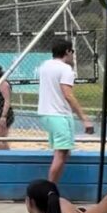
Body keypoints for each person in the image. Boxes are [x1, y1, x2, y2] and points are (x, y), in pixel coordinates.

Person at [38, 41, 94, 183]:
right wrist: (84, 118)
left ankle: (52, 187)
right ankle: (50, 190)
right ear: (68, 52)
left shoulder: (45, 66)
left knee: (64, 152)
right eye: (72, 52)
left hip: (46, 114)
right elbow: (68, 94)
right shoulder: (66, 69)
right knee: (61, 154)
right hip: (59, 115)